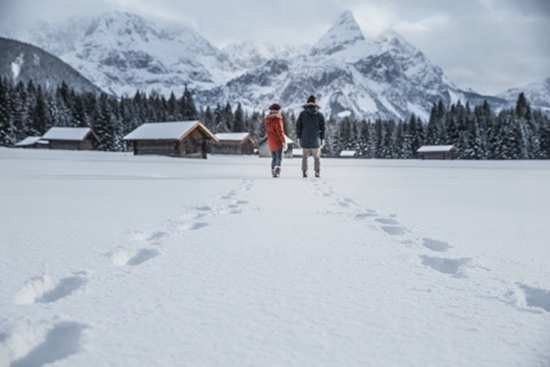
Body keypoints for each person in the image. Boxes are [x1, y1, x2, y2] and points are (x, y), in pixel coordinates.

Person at [296, 95, 325, 178]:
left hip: (305, 140)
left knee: (305, 157)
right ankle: (317, 172)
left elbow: (298, 127)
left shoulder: (302, 114)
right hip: (316, 140)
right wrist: (322, 139)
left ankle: (304, 172)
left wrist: (299, 137)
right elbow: (323, 128)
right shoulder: (320, 115)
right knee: (317, 158)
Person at [264, 103, 287, 178]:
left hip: (270, 142)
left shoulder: (267, 120)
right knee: (279, 158)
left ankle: (273, 171)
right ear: (277, 110)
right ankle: (277, 171)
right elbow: (280, 131)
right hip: (277, 142)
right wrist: (283, 141)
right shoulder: (277, 119)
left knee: (273, 158)